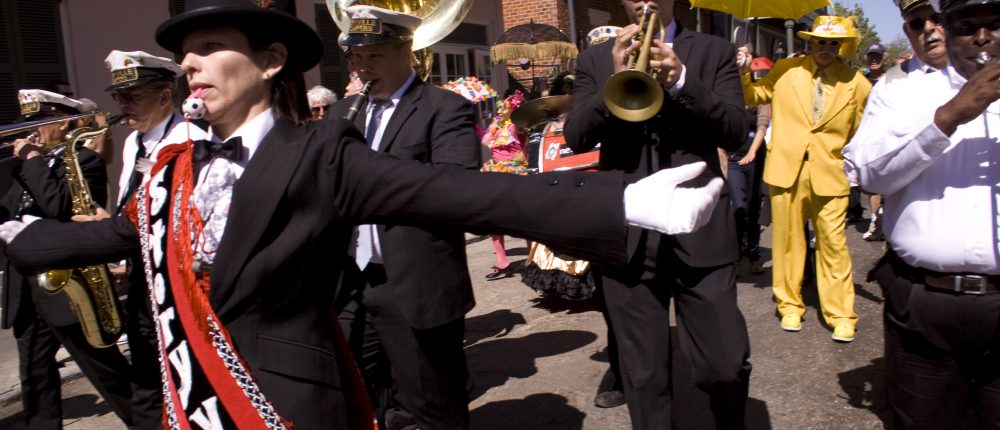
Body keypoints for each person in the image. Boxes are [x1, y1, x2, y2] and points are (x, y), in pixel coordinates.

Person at [0, 1, 725, 428]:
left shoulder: (318, 154)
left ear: (273, 60)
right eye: (184, 55)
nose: (189, 66)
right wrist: (27, 239)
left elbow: (467, 193)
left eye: (209, 50)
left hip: (287, 404)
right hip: (193, 405)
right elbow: (121, 236)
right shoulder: (170, 168)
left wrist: (621, 201)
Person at [563, 0, 752, 428]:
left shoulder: (712, 50)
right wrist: (612, 80)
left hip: (701, 227)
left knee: (724, 365)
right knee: (643, 377)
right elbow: (576, 137)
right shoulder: (595, 57)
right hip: (628, 232)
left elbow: (737, 131)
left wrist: (683, 82)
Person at [847, 0, 1000, 426]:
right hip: (926, 305)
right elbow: (869, 176)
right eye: (969, 26)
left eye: (995, 24)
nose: (983, 38)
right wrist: (947, 118)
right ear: (949, 31)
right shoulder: (902, 92)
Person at [328, 7, 482, 429]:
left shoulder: (444, 108)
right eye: (355, 59)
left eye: (373, 56)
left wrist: (371, 182)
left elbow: (454, 188)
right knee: (355, 391)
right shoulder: (342, 113)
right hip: (351, 282)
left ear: (406, 51)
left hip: (413, 282)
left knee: (433, 402)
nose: (361, 68)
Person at [0, 89, 134, 429]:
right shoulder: (27, 164)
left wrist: (30, 159)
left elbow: (58, 206)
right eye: (27, 123)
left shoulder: (82, 161)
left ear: (62, 124)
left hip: (66, 284)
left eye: (39, 123)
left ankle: (146, 420)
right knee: (34, 372)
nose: (30, 131)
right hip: (26, 286)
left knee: (102, 367)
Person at [740, 15, 872, 342]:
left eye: (832, 43)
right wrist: (742, 71)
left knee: (834, 246)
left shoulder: (858, 83)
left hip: (831, 174)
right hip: (786, 171)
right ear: (810, 42)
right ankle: (789, 304)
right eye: (820, 41)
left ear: (842, 46)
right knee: (787, 244)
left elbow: (863, 131)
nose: (825, 48)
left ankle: (841, 314)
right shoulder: (786, 70)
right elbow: (753, 96)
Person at [104, 49, 207, 428]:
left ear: (165, 96)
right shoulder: (135, 141)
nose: (123, 105)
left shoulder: (190, 139)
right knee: (146, 376)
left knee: (182, 374)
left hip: (174, 277)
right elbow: (128, 197)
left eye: (133, 96)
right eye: (120, 97)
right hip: (140, 273)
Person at [845, 0, 950, 243]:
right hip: (916, 269)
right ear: (907, 31)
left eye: (938, 19)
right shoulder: (890, 85)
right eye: (917, 23)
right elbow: (869, 176)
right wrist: (944, 121)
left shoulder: (987, 73)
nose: (929, 28)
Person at [481, 90, 529, 279]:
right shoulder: (497, 126)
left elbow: (525, 136)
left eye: (505, 106)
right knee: (494, 218)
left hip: (514, 172)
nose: (501, 109)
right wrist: (493, 124)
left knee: (524, 217)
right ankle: (502, 261)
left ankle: (531, 259)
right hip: (495, 172)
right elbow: (486, 141)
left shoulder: (517, 126)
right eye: (501, 106)